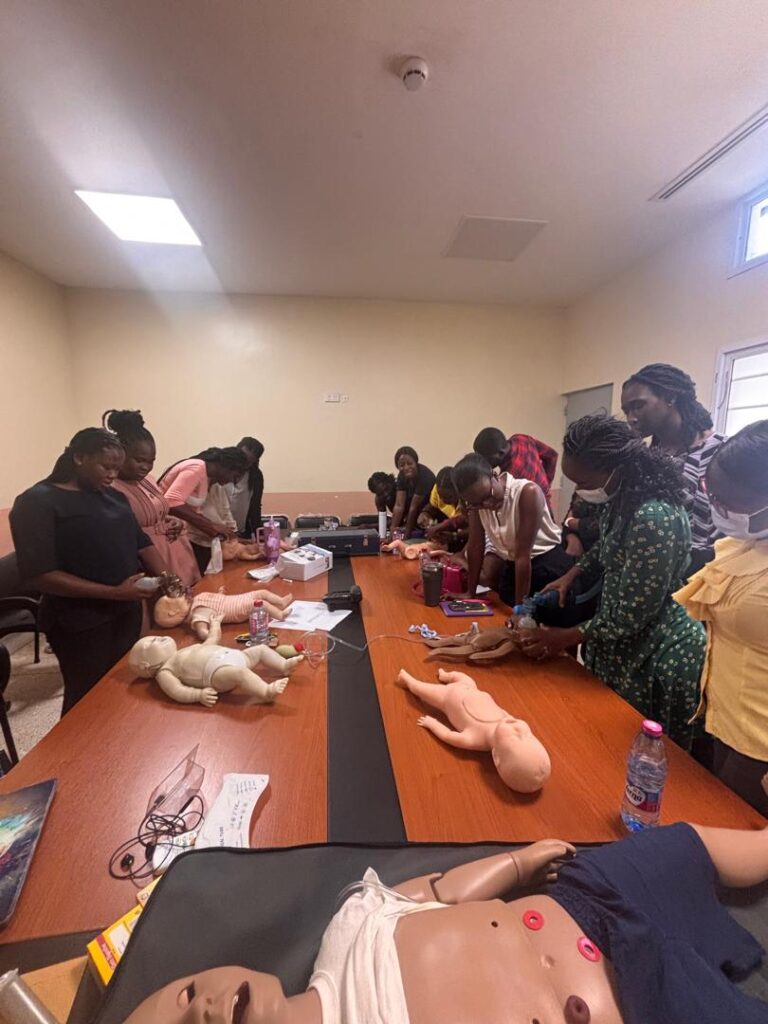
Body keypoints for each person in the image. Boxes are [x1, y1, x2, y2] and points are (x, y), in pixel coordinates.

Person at [124, 824, 768, 1024]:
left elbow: (435, 891)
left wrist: (516, 863)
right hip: (646, 1006)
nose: (202, 1009)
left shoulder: (347, 929)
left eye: (186, 994)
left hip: (586, 901)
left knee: (681, 845)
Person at [521, 414, 706, 749]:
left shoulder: (653, 517)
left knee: (635, 750)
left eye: (583, 481)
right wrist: (572, 573)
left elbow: (632, 616)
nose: (579, 491)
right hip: (619, 639)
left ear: (617, 468)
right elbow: (609, 547)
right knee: (597, 739)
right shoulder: (623, 501)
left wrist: (562, 637)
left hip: (656, 650)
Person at [9, 428, 164, 714]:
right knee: (87, 699)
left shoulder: (112, 496)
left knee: (124, 688)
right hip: (79, 620)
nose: (113, 475)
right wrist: (114, 592)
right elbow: (39, 574)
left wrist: (169, 579)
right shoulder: (37, 502)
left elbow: (141, 542)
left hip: (125, 611)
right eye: (106, 467)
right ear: (79, 458)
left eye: (117, 468)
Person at [675, 420, 768, 813]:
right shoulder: (747, 544)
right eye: (713, 497)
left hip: (760, 746)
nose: (718, 510)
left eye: (729, 503)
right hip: (725, 720)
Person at [621, 363, 726, 575]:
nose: (631, 418)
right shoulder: (646, 459)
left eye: (638, 406)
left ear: (670, 397)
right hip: (653, 574)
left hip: (711, 574)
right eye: (627, 411)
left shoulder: (722, 452)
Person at [453, 453, 572, 609]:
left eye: (488, 495)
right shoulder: (476, 504)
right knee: (502, 607)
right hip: (515, 567)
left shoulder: (527, 492)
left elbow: (523, 555)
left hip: (547, 567)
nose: (487, 504)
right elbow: (476, 545)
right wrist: (470, 592)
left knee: (540, 614)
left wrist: (519, 610)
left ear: (494, 475)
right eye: (478, 503)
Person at [103, 410, 200, 588]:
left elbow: (156, 512)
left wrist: (173, 521)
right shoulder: (110, 488)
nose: (146, 467)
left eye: (151, 461)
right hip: (148, 561)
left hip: (176, 554)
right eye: (139, 460)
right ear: (119, 454)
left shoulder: (148, 480)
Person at [159, 447, 247, 574]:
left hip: (177, 534)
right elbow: (171, 502)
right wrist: (210, 526)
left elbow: (196, 512)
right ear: (227, 467)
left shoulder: (207, 479)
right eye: (234, 477)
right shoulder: (197, 468)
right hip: (166, 534)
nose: (230, 482)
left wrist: (229, 534)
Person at [473, 427, 558, 507]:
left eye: (486, 459)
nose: (483, 463)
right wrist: (546, 484)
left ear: (501, 453)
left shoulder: (510, 476)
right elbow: (552, 456)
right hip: (544, 500)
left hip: (537, 508)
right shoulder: (521, 439)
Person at [389, 447, 436, 540]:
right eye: (402, 465)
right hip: (415, 509)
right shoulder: (401, 476)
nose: (406, 467)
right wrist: (392, 531)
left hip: (431, 508)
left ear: (415, 462)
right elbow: (399, 505)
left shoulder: (424, 476)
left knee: (421, 520)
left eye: (410, 463)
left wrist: (406, 538)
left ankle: (430, 536)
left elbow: (413, 508)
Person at [227, 436, 265, 537]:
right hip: (216, 530)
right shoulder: (222, 470)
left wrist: (260, 535)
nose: (243, 464)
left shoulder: (255, 475)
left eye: (249, 462)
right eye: (243, 458)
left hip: (241, 531)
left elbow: (255, 507)